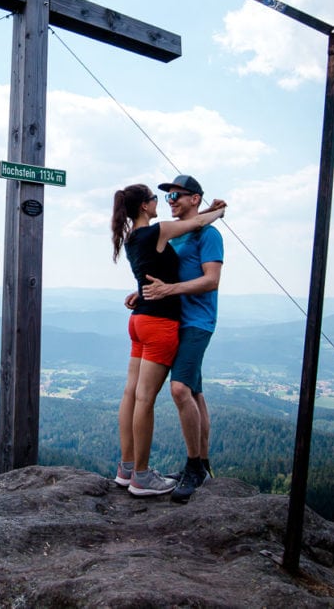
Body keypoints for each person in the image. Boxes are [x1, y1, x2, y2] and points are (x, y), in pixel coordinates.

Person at [111, 183, 226, 497]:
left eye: (174, 195)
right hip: (161, 322)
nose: (166, 200)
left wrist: (146, 291)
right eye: (160, 197)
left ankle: (128, 468)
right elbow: (195, 222)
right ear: (145, 207)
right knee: (148, 398)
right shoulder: (160, 231)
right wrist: (217, 211)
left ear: (193, 198)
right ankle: (143, 476)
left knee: (136, 394)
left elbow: (194, 233)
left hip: (144, 320)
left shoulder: (135, 237)